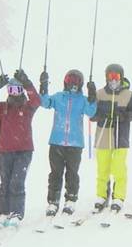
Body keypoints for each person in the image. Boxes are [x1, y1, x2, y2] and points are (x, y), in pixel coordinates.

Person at [0, 69, 41, 227]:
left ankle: (16, 213)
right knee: (5, 183)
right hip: (5, 151)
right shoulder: (3, 108)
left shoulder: (27, 107)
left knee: (17, 181)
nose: (14, 94)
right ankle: (4, 212)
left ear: (22, 91)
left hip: (24, 151)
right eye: (10, 90)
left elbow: (37, 99)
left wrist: (27, 82)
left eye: (17, 90)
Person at [39, 69, 97, 216]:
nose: (73, 83)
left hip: (75, 143)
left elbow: (91, 112)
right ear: (65, 81)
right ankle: (53, 201)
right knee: (55, 173)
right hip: (57, 141)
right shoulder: (59, 97)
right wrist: (43, 86)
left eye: (76, 81)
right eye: (70, 80)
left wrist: (92, 95)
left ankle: (71, 199)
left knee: (72, 173)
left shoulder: (83, 100)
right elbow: (45, 102)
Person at [90, 64, 132, 213]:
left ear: (121, 77)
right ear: (106, 78)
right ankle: (101, 196)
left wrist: (124, 115)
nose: (113, 80)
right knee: (103, 169)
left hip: (120, 136)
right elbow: (91, 115)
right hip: (103, 135)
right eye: (110, 77)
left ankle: (118, 197)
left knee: (118, 168)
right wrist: (92, 99)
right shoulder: (99, 94)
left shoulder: (128, 95)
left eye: (116, 77)